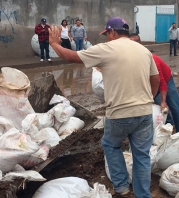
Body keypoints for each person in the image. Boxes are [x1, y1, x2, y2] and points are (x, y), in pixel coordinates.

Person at [48, 17, 160, 197]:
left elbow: (71, 56)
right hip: (144, 112)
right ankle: (143, 194)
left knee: (111, 145)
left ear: (112, 32)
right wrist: (149, 99)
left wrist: (54, 43)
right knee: (142, 156)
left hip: (119, 113)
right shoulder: (143, 50)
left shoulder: (106, 49)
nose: (107, 37)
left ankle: (122, 187)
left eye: (107, 33)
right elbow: (156, 79)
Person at [129, 33, 179, 133]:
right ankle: (168, 127)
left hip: (166, 80)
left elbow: (161, 82)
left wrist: (163, 101)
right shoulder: (132, 59)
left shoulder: (152, 59)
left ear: (139, 44)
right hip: (153, 83)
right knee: (160, 109)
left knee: (175, 108)